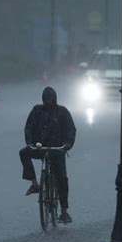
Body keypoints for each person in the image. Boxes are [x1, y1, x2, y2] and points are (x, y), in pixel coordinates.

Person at [19, 87, 76, 223]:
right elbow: (29, 127)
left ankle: (64, 211)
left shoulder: (62, 112)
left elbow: (71, 129)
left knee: (62, 178)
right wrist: (29, 143)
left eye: (51, 99)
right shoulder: (37, 111)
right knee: (23, 153)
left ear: (55, 99)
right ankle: (34, 183)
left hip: (58, 150)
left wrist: (68, 144)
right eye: (46, 99)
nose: (48, 102)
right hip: (40, 147)